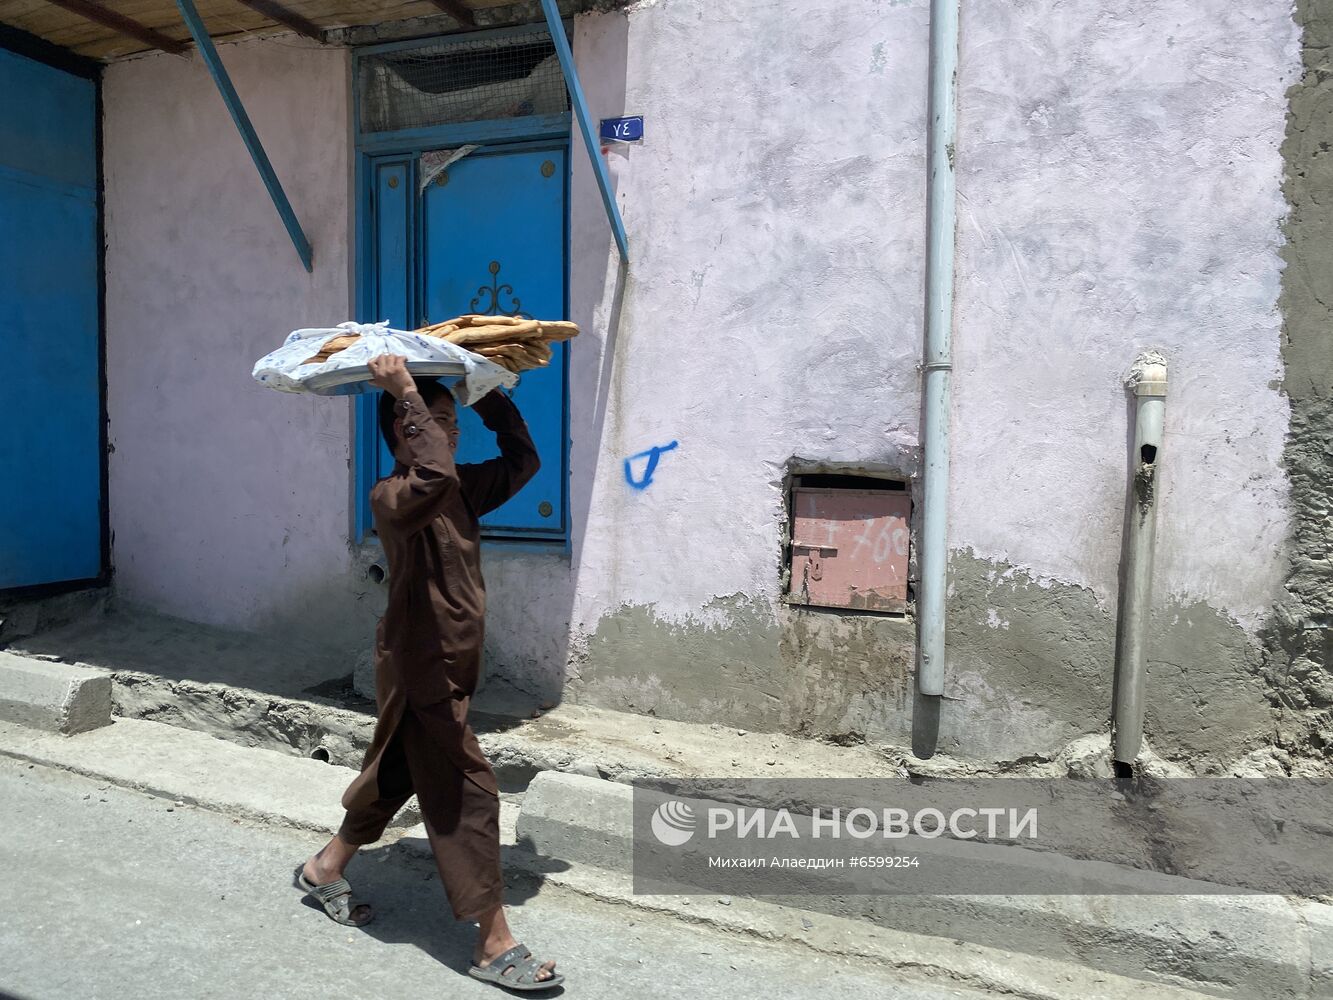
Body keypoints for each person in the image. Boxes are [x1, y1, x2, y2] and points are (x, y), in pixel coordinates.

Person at [297, 353, 562, 991]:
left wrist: (486, 393)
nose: (451, 433)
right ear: (404, 433)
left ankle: (327, 866)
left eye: (451, 422)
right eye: (434, 422)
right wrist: (406, 392)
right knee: (468, 788)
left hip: (449, 662)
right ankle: (494, 942)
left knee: (396, 769)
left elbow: (524, 461)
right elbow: (433, 467)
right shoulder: (393, 498)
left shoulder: (460, 488)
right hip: (423, 665)